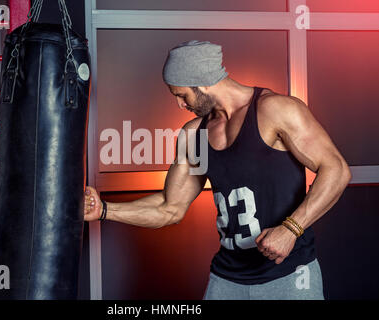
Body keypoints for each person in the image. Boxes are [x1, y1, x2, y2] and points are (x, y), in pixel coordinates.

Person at [84, 40, 352, 300]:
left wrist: (292, 229)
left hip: (290, 276)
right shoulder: (194, 135)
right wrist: (105, 210)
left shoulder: (275, 110)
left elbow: (336, 170)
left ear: (202, 82)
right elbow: (169, 207)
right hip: (227, 279)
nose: (180, 105)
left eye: (181, 95)